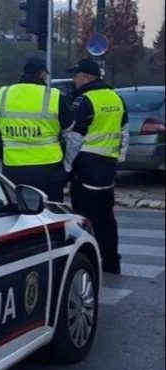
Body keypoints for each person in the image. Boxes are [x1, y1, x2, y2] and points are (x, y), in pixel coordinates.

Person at [64, 59, 130, 275]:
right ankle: (112, 262)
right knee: (107, 216)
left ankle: (89, 264)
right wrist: (118, 158)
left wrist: (67, 167)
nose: (74, 80)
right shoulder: (115, 96)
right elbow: (124, 131)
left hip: (86, 166)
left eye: (76, 76)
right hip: (107, 167)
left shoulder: (84, 100)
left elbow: (75, 138)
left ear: (85, 77)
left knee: (85, 218)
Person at [0, 57, 73, 202]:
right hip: (48, 169)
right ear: (42, 73)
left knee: (21, 210)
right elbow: (69, 126)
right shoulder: (53, 96)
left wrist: (6, 156)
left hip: (14, 169)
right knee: (51, 210)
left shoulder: (4, 94)